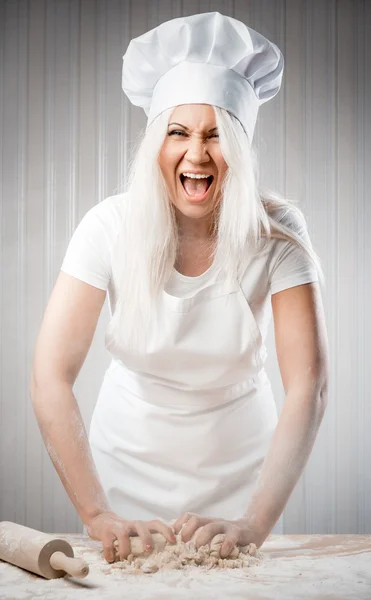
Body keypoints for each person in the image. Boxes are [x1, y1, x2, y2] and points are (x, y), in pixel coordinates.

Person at [30, 12, 329, 564]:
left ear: (239, 148)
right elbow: (50, 374)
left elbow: (308, 383)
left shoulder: (278, 231)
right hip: (125, 467)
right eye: (179, 132)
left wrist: (254, 522)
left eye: (216, 134)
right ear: (156, 146)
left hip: (243, 474)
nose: (196, 153)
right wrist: (97, 513)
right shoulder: (108, 226)